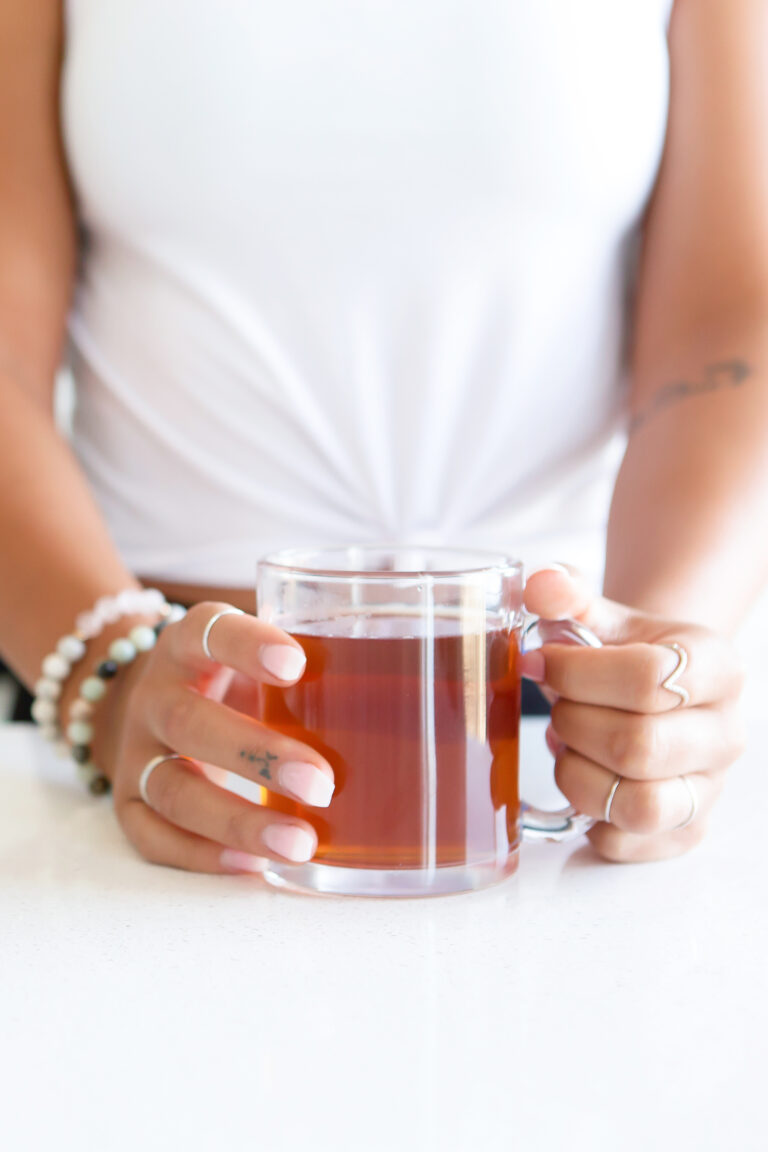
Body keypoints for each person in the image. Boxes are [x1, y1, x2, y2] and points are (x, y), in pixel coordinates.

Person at [0, 0, 764, 873]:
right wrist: (111, 681)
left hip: (547, 736)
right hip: (149, 721)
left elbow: (727, 324)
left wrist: (660, 689)